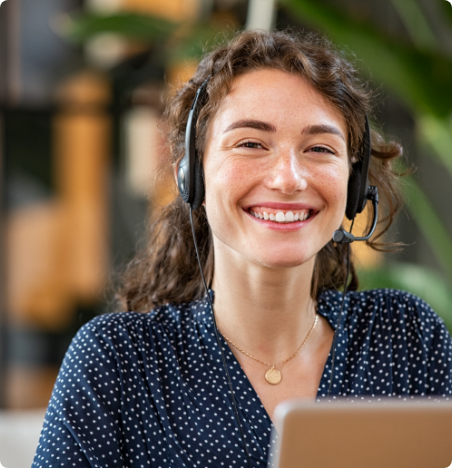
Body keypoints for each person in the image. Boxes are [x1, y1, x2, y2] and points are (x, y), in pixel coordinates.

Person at [32, 30, 452, 468]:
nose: (288, 179)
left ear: (353, 183)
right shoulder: (118, 363)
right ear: (191, 176)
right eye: (251, 143)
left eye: (319, 148)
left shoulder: (404, 339)